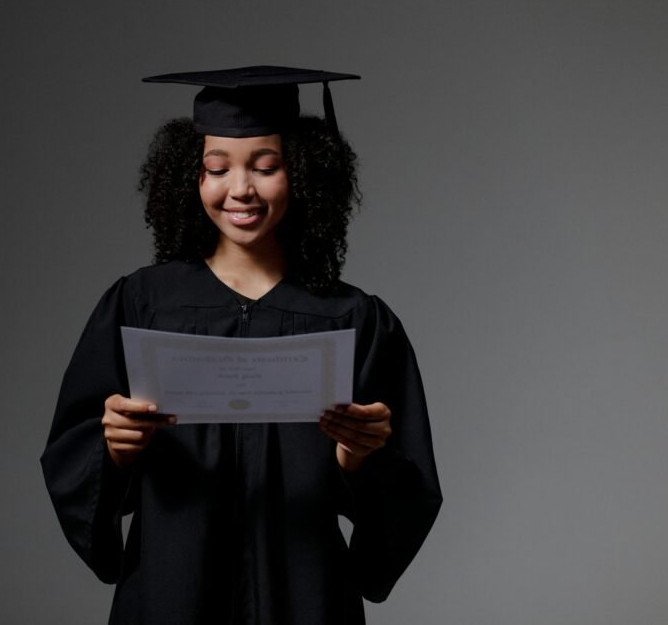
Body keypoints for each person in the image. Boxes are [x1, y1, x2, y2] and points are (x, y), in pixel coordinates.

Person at [41, 66, 441, 624]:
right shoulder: (142, 303)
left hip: (304, 596)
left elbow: (408, 490)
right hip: (171, 592)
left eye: (266, 166)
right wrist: (114, 449)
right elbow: (72, 454)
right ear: (191, 177)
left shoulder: (352, 318)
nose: (240, 189)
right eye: (216, 168)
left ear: (302, 172)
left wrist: (359, 461)